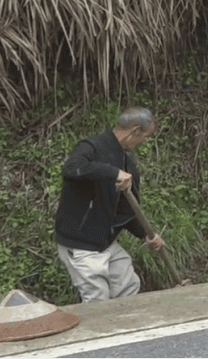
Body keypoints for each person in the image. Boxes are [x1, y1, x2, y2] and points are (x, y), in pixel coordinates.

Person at [53, 107, 165, 302]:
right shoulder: (92, 147)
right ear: (134, 131)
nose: (143, 142)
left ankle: (129, 330)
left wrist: (146, 235)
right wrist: (113, 173)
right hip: (80, 243)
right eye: (144, 137)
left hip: (104, 243)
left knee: (128, 285)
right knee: (98, 300)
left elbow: (126, 210)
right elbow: (72, 168)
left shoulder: (127, 162)